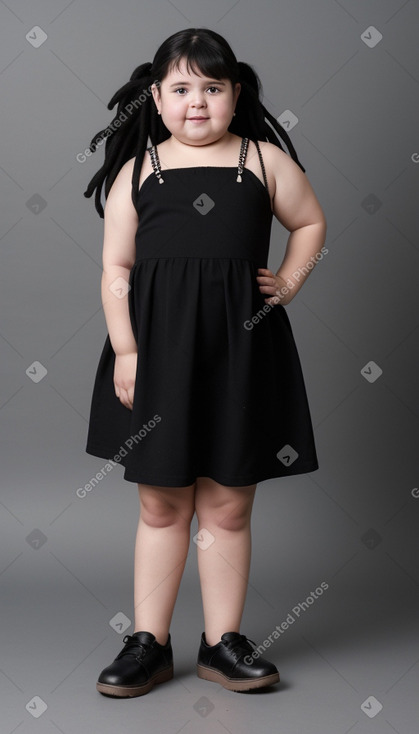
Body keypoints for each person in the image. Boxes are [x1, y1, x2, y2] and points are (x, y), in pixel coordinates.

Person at [83, 27, 327, 698]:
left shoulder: (263, 161)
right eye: (181, 89)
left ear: (235, 94)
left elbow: (309, 223)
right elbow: (115, 267)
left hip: (241, 350)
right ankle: (147, 644)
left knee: (226, 506)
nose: (197, 103)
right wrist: (127, 349)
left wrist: (289, 279)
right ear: (154, 99)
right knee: (162, 506)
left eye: (211, 89)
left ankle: (222, 643)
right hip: (158, 353)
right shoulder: (139, 171)